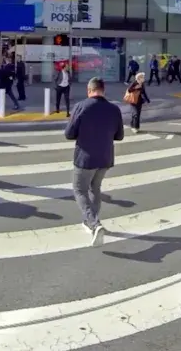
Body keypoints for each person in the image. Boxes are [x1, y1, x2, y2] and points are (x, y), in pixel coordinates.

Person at [64, 78, 124, 246]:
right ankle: (92, 222)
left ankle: (94, 224)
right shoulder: (114, 109)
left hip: (85, 158)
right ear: (103, 90)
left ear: (89, 90)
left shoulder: (81, 106)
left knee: (79, 190)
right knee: (95, 188)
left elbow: (69, 134)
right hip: (105, 157)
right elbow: (119, 136)